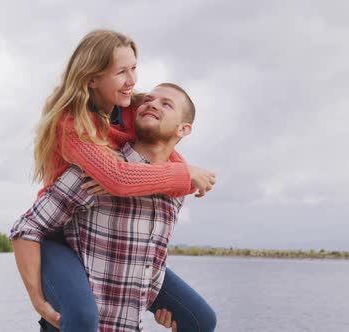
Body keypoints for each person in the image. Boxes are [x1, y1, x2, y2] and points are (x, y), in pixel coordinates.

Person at [12, 29, 216, 331]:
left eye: (134, 68)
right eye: (121, 71)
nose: (133, 81)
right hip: (56, 232)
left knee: (200, 320)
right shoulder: (72, 126)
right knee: (82, 315)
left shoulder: (133, 107)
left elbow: (164, 157)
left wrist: (155, 298)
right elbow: (117, 178)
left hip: (118, 259)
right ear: (92, 78)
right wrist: (37, 299)